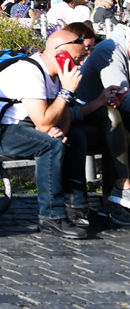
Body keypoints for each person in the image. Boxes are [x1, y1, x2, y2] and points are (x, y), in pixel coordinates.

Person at [0, 27, 95, 238]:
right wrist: (67, 92)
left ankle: (77, 209)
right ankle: (51, 217)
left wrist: (60, 126)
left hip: (20, 125)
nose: (81, 64)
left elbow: (60, 121)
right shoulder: (30, 72)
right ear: (60, 54)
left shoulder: (55, 76)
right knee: (49, 144)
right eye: (78, 58)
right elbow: (44, 123)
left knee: (76, 138)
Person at [63, 21, 130, 224]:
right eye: (85, 48)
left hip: (101, 110)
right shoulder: (109, 50)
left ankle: (116, 196)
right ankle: (116, 194)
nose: (87, 53)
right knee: (116, 123)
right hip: (85, 111)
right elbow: (122, 96)